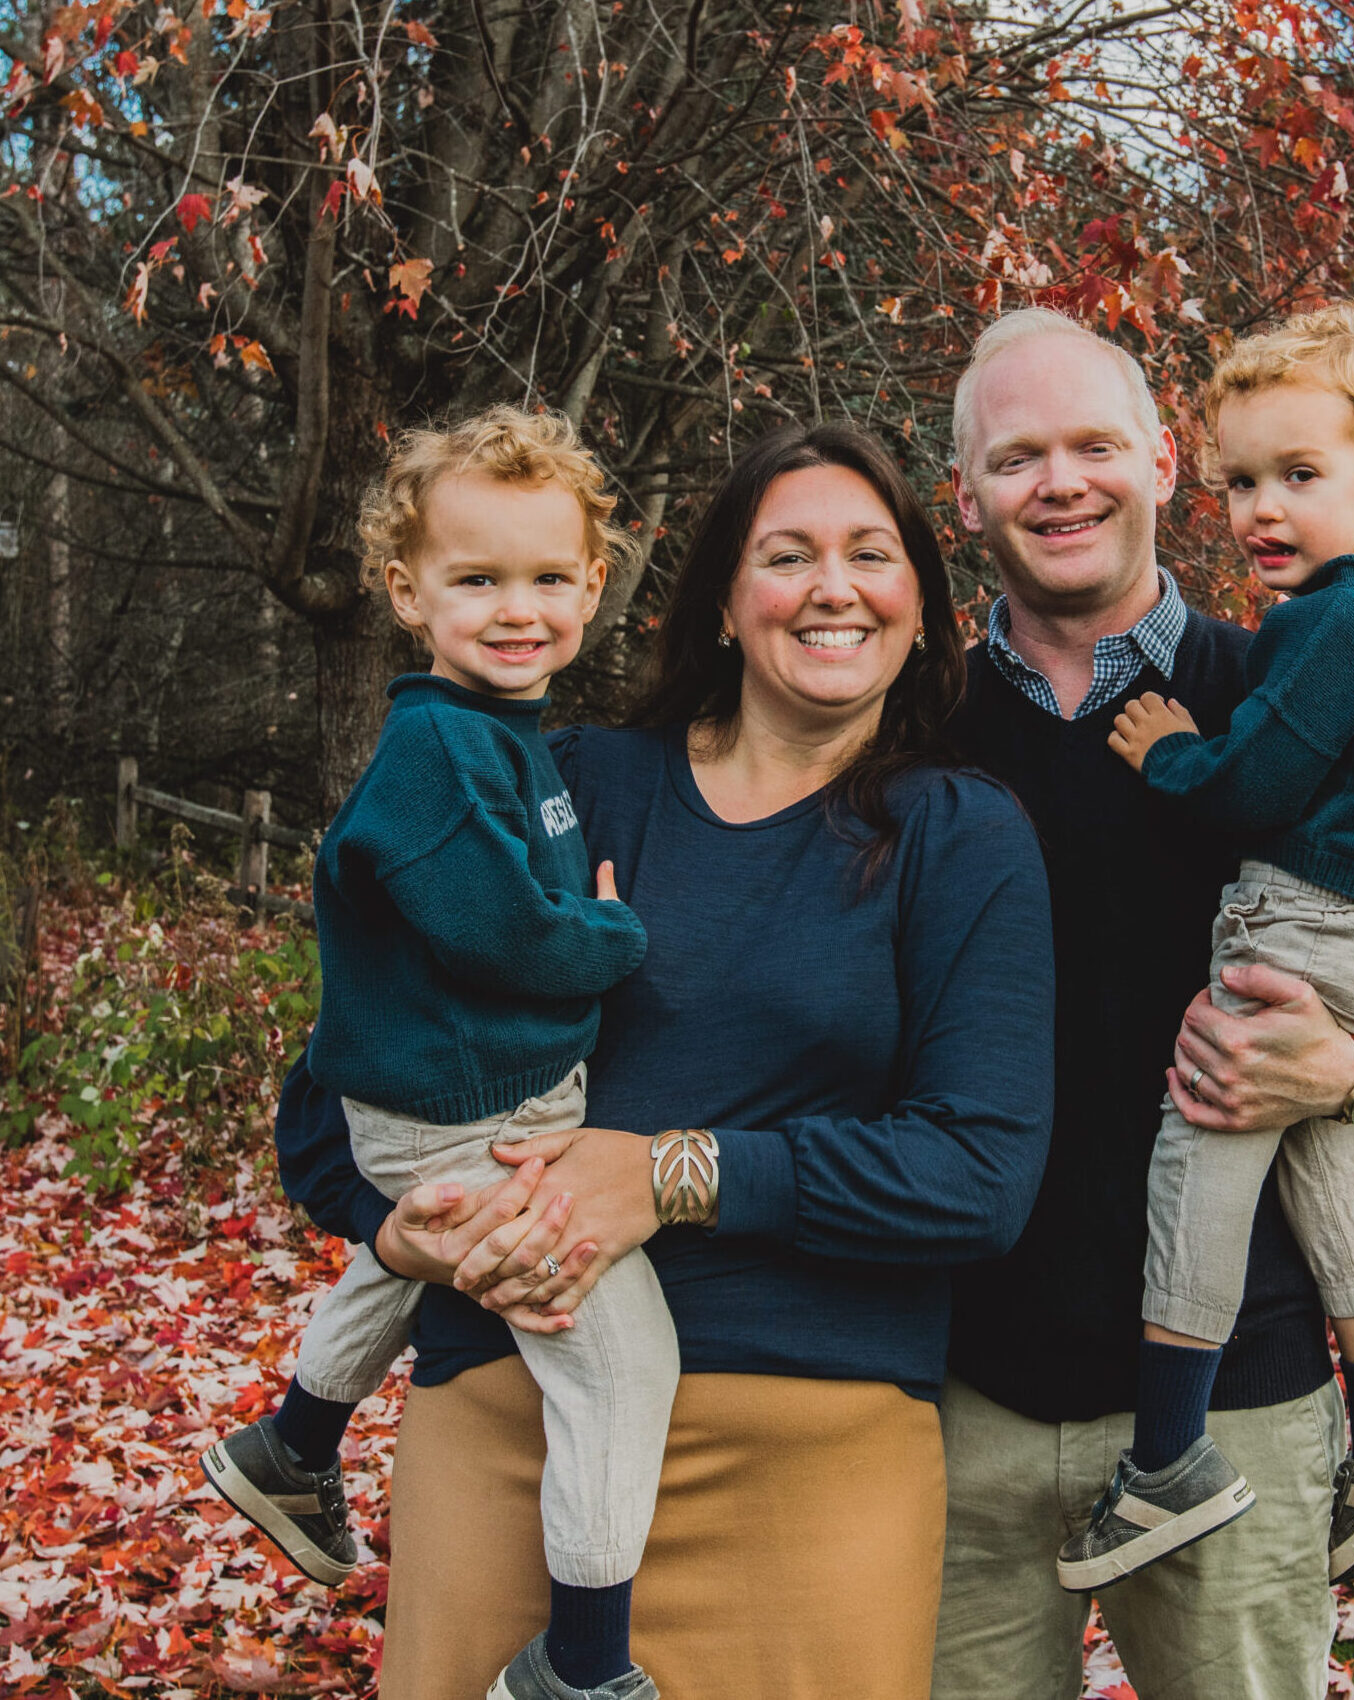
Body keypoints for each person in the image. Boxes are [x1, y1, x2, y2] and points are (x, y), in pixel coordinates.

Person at [271, 420, 1056, 1700]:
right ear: (725, 604)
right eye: (785, 553)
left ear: (920, 603)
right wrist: (393, 1227)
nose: (830, 585)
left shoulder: (956, 836)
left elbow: (978, 1173)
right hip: (510, 1415)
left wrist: (671, 1172)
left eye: (870, 552)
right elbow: (331, 1099)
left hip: (810, 1441)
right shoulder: (569, 779)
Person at [933, 307, 1354, 1700]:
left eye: (1092, 445)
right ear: (965, 498)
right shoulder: (914, 727)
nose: (1058, 482)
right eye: (1016, 458)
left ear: (1163, 460)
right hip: (962, 1395)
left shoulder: (1290, 682)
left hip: (1238, 1397)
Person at [200, 407, 671, 1700]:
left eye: (545, 579)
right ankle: (577, 1670)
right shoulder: (436, 755)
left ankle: (292, 1443)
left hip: (479, 1100)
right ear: (408, 594)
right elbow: (506, 936)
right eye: (476, 581)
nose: (516, 611)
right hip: (466, 1109)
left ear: (591, 583)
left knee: (410, 1257)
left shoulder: (498, 735)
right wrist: (612, 932)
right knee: (626, 1366)